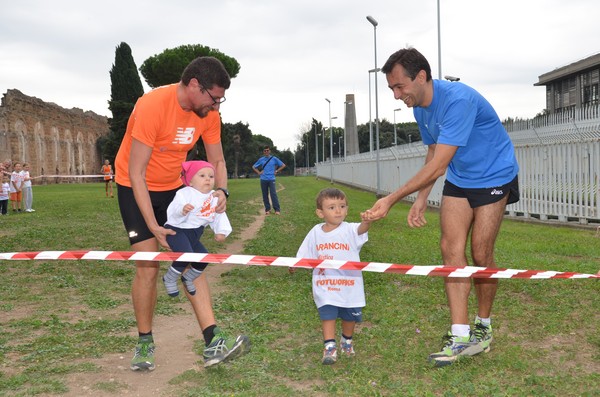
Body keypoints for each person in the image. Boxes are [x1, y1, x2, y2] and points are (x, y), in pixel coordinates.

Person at [362, 48, 519, 367]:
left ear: (421, 77)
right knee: (450, 249)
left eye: (399, 86)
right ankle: (460, 336)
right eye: (392, 88)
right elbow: (434, 153)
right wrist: (421, 199)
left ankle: (483, 330)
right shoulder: (420, 107)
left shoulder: (458, 101)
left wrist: (392, 199)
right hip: (461, 178)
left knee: (481, 254)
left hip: (494, 174)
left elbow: (437, 166)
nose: (396, 95)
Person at [114, 56, 249, 371]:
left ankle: (213, 339)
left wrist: (222, 191)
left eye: (220, 99)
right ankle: (144, 342)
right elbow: (137, 174)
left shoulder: (208, 113)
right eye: (214, 97)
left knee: (192, 258)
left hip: (176, 190)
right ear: (193, 85)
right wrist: (152, 225)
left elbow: (217, 161)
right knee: (147, 266)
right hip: (136, 188)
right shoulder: (152, 106)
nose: (216, 105)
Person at [295, 188, 372, 365]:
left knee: (349, 317)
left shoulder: (351, 230)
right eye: (331, 207)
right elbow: (305, 253)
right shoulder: (315, 232)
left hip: (350, 286)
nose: (338, 210)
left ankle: (347, 340)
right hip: (326, 285)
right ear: (320, 213)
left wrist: (367, 221)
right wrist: (295, 264)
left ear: (347, 209)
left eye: (342, 206)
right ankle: (329, 347)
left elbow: (362, 229)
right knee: (327, 314)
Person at [162, 160, 232, 297]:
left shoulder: (214, 197)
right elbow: (173, 209)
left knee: (203, 258)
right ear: (190, 181)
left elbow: (218, 214)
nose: (208, 179)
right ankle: (169, 278)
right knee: (186, 254)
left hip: (195, 233)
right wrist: (182, 210)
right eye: (202, 176)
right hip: (177, 230)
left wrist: (221, 231)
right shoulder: (184, 193)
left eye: (211, 176)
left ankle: (188, 278)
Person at [252, 146, 286, 215]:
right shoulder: (261, 159)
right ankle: (267, 209)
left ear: (269, 151)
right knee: (265, 195)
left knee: (273, 194)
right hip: (263, 179)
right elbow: (254, 166)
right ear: (263, 152)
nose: (266, 152)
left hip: (271, 179)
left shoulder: (274, 159)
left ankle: (277, 210)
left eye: (267, 150)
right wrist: (259, 172)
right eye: (265, 151)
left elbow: (283, 165)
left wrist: (276, 171)